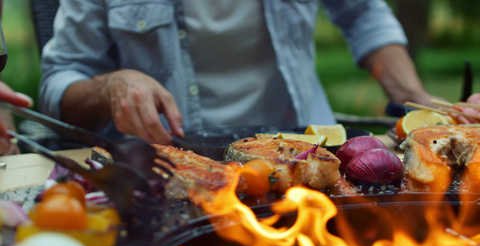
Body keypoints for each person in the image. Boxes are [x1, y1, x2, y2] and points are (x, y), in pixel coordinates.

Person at [40, 0, 436, 145]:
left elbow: (363, 12)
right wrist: (111, 86)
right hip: (175, 170)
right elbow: (58, 85)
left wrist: (419, 104)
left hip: (311, 158)